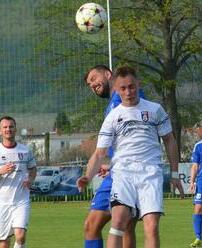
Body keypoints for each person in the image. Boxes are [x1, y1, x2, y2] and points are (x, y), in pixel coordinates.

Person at [77, 66, 184, 248]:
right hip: (123, 174)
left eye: (131, 87)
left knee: (149, 227)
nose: (128, 91)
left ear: (138, 85)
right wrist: (88, 175)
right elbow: (99, 152)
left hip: (149, 174)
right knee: (118, 223)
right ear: (117, 88)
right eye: (123, 88)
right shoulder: (113, 115)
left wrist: (175, 174)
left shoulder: (154, 110)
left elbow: (169, 140)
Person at [82, 64, 145, 248]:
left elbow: (139, 134)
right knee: (94, 226)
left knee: (123, 226)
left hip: (130, 173)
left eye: (94, 79)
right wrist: (110, 165)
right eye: (89, 84)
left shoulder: (124, 97)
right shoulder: (112, 105)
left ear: (108, 75)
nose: (92, 85)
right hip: (115, 172)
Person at [0, 116, 37, 248]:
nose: (8, 129)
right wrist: (1, 171)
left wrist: (30, 180)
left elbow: (33, 169)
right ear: (0, 131)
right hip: (2, 203)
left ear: (15, 129)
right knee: (3, 244)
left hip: (21, 200)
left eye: (11, 126)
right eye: (5, 127)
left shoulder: (25, 150)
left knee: (20, 236)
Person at [189, 122, 202, 248]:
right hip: (201, 181)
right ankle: (198, 237)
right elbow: (195, 165)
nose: (198, 132)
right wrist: (192, 181)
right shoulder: (198, 146)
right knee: (198, 208)